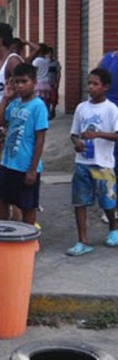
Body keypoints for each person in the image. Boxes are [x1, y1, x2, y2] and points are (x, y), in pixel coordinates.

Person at [67, 68, 118, 256]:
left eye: (95, 84)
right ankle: (82, 240)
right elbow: (74, 133)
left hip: (103, 163)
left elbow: (116, 134)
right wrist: (77, 143)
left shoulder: (111, 109)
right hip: (82, 162)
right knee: (80, 201)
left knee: (108, 201)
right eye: (89, 83)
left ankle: (113, 228)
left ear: (105, 87)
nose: (91, 87)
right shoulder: (82, 108)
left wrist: (97, 134)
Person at [0, 63, 48, 225]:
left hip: (25, 165)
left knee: (27, 206)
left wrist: (32, 169)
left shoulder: (38, 107)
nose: (20, 86)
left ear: (34, 82)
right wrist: (5, 98)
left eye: (24, 81)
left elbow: (40, 139)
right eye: (17, 82)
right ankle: (1, 233)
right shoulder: (14, 104)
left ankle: (28, 241)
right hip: (8, 163)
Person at [0, 24, 23, 185]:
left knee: (6, 161)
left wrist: (10, 125)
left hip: (7, 123)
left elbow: (22, 92)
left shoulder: (12, 61)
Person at [47, 47, 61, 120]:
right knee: (47, 99)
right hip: (45, 84)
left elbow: (58, 73)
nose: (48, 55)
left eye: (50, 53)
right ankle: (49, 112)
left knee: (54, 98)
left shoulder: (55, 62)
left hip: (52, 83)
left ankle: (52, 110)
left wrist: (57, 81)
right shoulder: (44, 62)